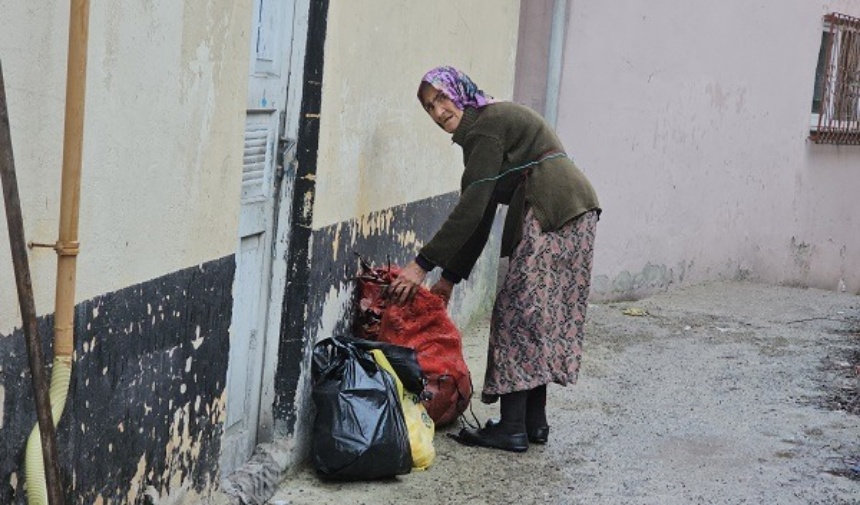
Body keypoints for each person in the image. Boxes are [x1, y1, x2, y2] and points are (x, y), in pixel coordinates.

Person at [386, 65, 601, 452]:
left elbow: (471, 208)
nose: (438, 112)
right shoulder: (485, 129)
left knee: (518, 314)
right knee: (537, 316)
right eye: (429, 107)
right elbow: (481, 216)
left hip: (550, 209)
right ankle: (534, 423)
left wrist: (422, 265)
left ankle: (512, 427)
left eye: (442, 98)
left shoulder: (485, 125)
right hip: (572, 209)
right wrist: (449, 279)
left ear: (460, 92)